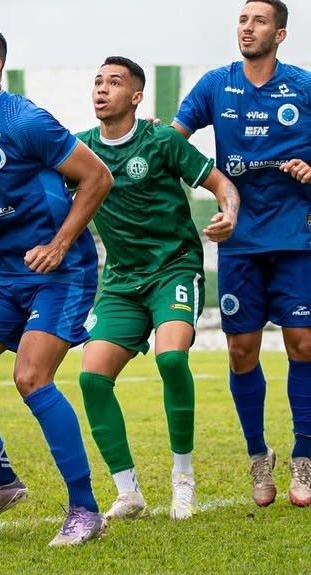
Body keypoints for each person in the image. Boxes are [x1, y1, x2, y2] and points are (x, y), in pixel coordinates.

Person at [0, 25, 114, 548]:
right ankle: (1, 480)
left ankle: (85, 509)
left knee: (31, 377)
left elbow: (97, 177)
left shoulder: (26, 119)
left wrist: (59, 244)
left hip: (60, 273)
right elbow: (6, 196)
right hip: (7, 276)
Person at [75, 57, 239, 520]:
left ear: (137, 96)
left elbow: (220, 182)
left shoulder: (163, 140)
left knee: (171, 357)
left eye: (115, 82)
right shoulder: (80, 151)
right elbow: (33, 197)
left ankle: (182, 478)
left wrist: (228, 211)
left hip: (174, 269)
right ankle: (128, 492)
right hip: (122, 281)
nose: (102, 90)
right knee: (91, 378)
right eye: (98, 82)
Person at [173, 0, 311, 510]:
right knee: (240, 352)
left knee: (303, 344)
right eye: (243, 20)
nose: (247, 28)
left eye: (259, 22)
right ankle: (259, 456)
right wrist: (213, 185)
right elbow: (173, 143)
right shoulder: (216, 84)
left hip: (298, 238)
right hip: (239, 243)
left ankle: (305, 457)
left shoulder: (303, 87)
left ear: (280, 35)